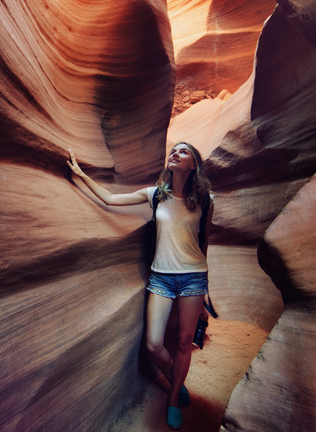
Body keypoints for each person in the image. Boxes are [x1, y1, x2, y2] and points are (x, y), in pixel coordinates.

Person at [66, 142, 214, 430]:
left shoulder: (205, 200)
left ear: (193, 164)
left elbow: (203, 242)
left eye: (183, 152)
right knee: (153, 344)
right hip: (161, 277)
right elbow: (110, 199)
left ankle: (173, 399)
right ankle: (177, 380)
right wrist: (81, 175)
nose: (175, 153)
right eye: (173, 150)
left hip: (194, 278)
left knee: (184, 342)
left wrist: (206, 288)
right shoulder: (155, 195)